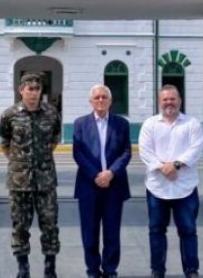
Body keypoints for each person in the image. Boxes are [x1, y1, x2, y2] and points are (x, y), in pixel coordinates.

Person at [0, 72, 62, 278]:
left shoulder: (52, 113)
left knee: (50, 224)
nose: (34, 93)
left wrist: (39, 161)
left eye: (37, 89)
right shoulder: (9, 115)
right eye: (30, 89)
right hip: (19, 182)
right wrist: (20, 163)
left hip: (45, 181)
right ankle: (23, 267)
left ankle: (50, 267)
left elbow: (54, 140)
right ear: (21, 90)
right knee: (20, 226)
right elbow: (5, 144)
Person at [138, 85, 203, 278]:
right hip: (157, 187)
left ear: (180, 100)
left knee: (188, 231)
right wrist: (162, 167)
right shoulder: (150, 124)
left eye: (172, 99)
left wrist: (175, 165)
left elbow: (196, 149)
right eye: (165, 99)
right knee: (156, 230)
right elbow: (145, 151)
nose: (169, 102)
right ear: (159, 102)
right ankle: (157, 270)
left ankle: (191, 271)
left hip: (185, 188)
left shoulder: (192, 123)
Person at [73, 84, 132, 278]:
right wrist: (96, 175)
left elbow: (126, 152)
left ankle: (110, 269)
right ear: (91, 101)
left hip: (114, 186)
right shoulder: (80, 123)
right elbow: (78, 153)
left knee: (112, 232)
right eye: (97, 97)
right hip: (88, 186)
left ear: (110, 100)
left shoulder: (121, 124)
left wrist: (110, 173)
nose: (100, 100)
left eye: (104, 97)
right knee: (89, 233)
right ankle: (92, 270)